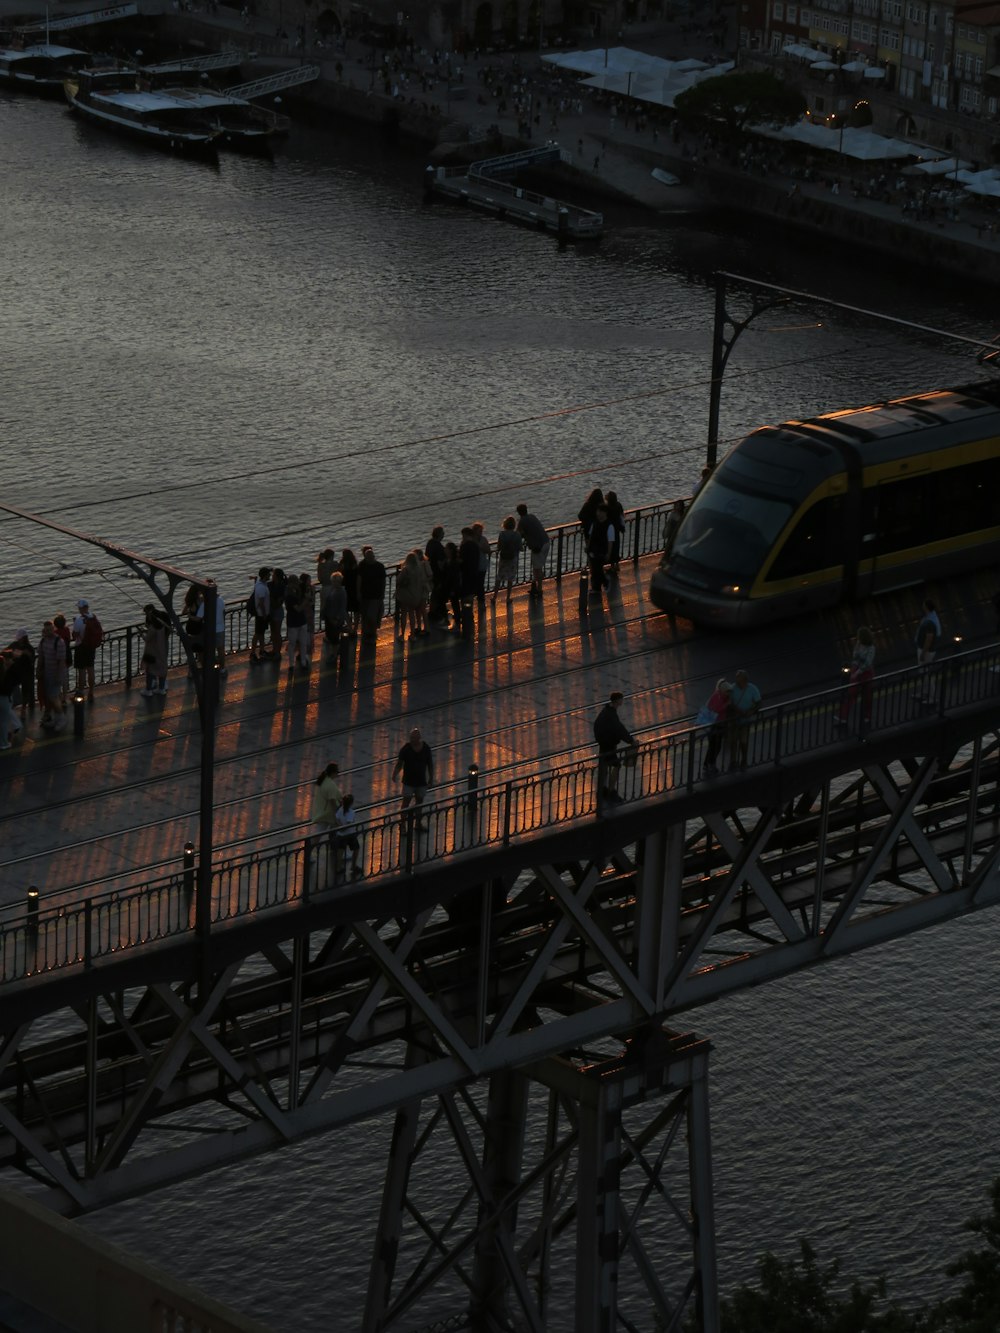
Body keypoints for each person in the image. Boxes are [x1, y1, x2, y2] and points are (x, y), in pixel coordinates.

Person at [593, 691, 634, 806]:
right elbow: (619, 728)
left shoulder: (606, 711)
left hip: (603, 743)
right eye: (621, 699)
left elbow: (597, 725)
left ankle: (601, 790)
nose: (622, 701)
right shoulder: (611, 714)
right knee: (616, 766)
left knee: (604, 766)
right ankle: (610, 792)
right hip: (608, 744)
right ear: (617, 701)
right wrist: (630, 741)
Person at [837, 626, 875, 728]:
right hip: (858, 670)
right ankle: (843, 717)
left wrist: (857, 672)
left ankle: (866, 716)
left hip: (864, 673)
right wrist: (857, 648)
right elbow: (855, 656)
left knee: (867, 696)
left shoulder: (871, 648)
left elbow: (867, 663)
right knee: (851, 694)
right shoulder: (859, 645)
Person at [393, 727, 434, 819]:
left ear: (419, 738)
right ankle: (403, 824)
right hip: (408, 782)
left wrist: (431, 778)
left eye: (414, 738)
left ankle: (418, 823)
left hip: (421, 782)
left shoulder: (426, 748)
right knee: (406, 802)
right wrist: (395, 774)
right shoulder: (405, 749)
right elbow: (399, 763)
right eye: (411, 738)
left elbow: (430, 764)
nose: (412, 740)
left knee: (419, 802)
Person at [36, 619, 68, 731]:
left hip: (55, 674)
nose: (48, 631)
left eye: (50, 629)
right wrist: (38, 670)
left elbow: (61, 661)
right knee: (51, 698)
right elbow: (40, 658)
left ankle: (62, 719)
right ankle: (57, 718)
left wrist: (59, 676)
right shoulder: (43, 642)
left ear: (53, 629)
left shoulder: (59, 642)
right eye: (46, 630)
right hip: (46, 674)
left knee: (53, 698)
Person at [728, 669, 761, 768]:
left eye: (739, 681)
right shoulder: (733, 688)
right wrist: (738, 711)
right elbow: (729, 704)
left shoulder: (752, 689)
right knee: (734, 741)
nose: (737, 683)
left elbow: (758, 703)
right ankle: (733, 761)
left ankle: (744, 759)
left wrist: (751, 711)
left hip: (745, 720)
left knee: (743, 741)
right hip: (734, 719)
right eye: (737, 680)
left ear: (745, 680)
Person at [516, 503, 550, 598]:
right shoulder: (532, 516)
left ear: (519, 512)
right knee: (537, 567)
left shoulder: (522, 521)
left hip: (537, 546)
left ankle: (539, 589)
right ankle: (534, 586)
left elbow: (518, 534)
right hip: (546, 542)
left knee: (537, 569)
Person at [700, 679, 732, 777]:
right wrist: (726, 705)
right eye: (727, 691)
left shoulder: (720, 695)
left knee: (714, 746)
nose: (729, 693)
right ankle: (710, 764)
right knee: (715, 746)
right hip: (715, 725)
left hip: (718, 724)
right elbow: (716, 709)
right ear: (723, 690)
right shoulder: (718, 697)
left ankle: (707, 764)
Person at [71, 598, 102, 700]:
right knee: (91, 669)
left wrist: (74, 624)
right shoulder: (93, 617)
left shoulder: (79, 620)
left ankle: (81, 692)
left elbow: (75, 636)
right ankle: (91, 692)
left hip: (81, 647)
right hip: (91, 647)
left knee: (82, 671)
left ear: (80, 608)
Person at [140, 605, 170, 698]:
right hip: (162, 649)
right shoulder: (162, 626)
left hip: (152, 651)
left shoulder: (153, 628)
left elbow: (147, 639)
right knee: (162, 668)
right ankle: (161, 688)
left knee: (150, 670)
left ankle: (149, 690)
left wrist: (142, 634)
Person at [914, 597, 941, 702]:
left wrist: (923, 652)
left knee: (926, 673)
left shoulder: (930, 622)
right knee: (924, 672)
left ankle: (931, 697)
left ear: (926, 607)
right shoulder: (930, 617)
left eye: (923, 605)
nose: (922, 606)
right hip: (925, 649)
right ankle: (925, 693)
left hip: (926, 651)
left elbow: (929, 639)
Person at [311, 763, 343, 848]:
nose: (337, 774)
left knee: (333, 831)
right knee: (320, 834)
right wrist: (337, 813)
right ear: (333, 773)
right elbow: (332, 801)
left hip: (323, 812)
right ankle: (308, 852)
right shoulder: (330, 785)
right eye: (337, 772)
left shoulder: (325, 780)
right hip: (328, 814)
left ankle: (335, 847)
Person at [357, 546, 387, 640]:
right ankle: (366, 631)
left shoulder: (379, 566)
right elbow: (359, 579)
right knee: (366, 614)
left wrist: (382, 592)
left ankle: (371, 632)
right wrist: (358, 592)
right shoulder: (363, 565)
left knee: (372, 615)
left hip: (375, 594)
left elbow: (383, 581)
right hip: (366, 594)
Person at [493, 516, 522, 603]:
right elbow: (520, 547)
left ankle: (494, 597)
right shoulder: (517, 534)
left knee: (499, 577)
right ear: (514, 525)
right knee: (510, 578)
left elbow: (499, 547)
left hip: (503, 558)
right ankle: (508, 597)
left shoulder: (502, 534)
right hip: (513, 558)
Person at [586, 504, 614, 595]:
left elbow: (610, 541)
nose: (598, 514)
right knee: (595, 569)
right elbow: (590, 536)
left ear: (605, 513)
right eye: (598, 511)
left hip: (602, 550)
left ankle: (604, 583)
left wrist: (608, 554)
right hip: (593, 549)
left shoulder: (609, 526)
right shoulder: (594, 523)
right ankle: (597, 587)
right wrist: (588, 547)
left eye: (601, 512)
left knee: (597, 568)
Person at [335, 793, 363, 877]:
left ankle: (338, 867)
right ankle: (353, 866)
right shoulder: (351, 812)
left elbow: (336, 819)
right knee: (356, 849)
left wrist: (340, 827)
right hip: (350, 834)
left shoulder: (340, 809)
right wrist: (344, 827)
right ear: (351, 803)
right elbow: (348, 823)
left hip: (340, 834)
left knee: (340, 850)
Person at [249, 567, 271, 662]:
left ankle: (262, 650)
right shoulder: (262, 587)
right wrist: (265, 614)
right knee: (258, 634)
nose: (270, 576)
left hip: (261, 614)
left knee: (261, 633)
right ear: (265, 575)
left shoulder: (259, 583)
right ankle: (253, 653)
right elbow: (261, 603)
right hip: (261, 615)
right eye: (268, 574)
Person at [322, 571, 347, 650]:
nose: (334, 583)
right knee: (331, 636)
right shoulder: (333, 590)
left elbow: (342, 607)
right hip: (330, 617)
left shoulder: (341, 592)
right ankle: (333, 652)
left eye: (336, 581)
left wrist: (338, 618)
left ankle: (334, 654)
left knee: (334, 638)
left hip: (335, 619)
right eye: (333, 581)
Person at [604, 490, 625, 570]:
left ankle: (612, 565)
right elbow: (621, 516)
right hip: (617, 528)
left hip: (609, 529)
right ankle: (616, 564)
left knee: (610, 546)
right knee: (616, 545)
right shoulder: (618, 505)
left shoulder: (607, 507)